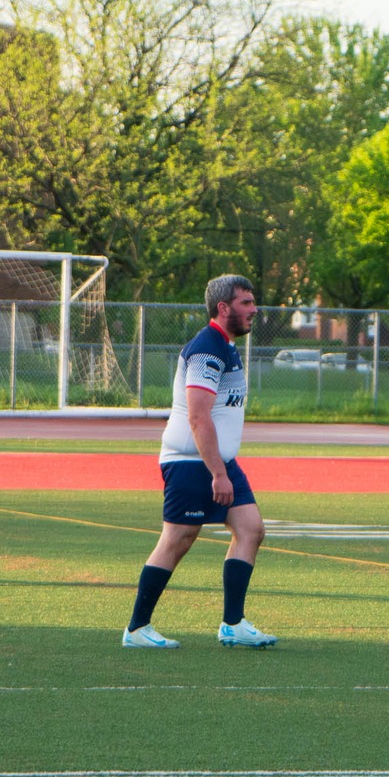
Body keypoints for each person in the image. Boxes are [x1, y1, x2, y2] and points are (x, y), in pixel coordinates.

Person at [122, 273, 276, 650]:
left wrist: (224, 467)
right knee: (178, 538)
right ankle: (137, 629)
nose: (254, 309)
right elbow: (198, 417)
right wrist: (218, 473)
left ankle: (233, 624)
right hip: (193, 462)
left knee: (251, 529)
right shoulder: (207, 348)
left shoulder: (226, 345)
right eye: (245, 303)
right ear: (223, 308)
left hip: (218, 461)